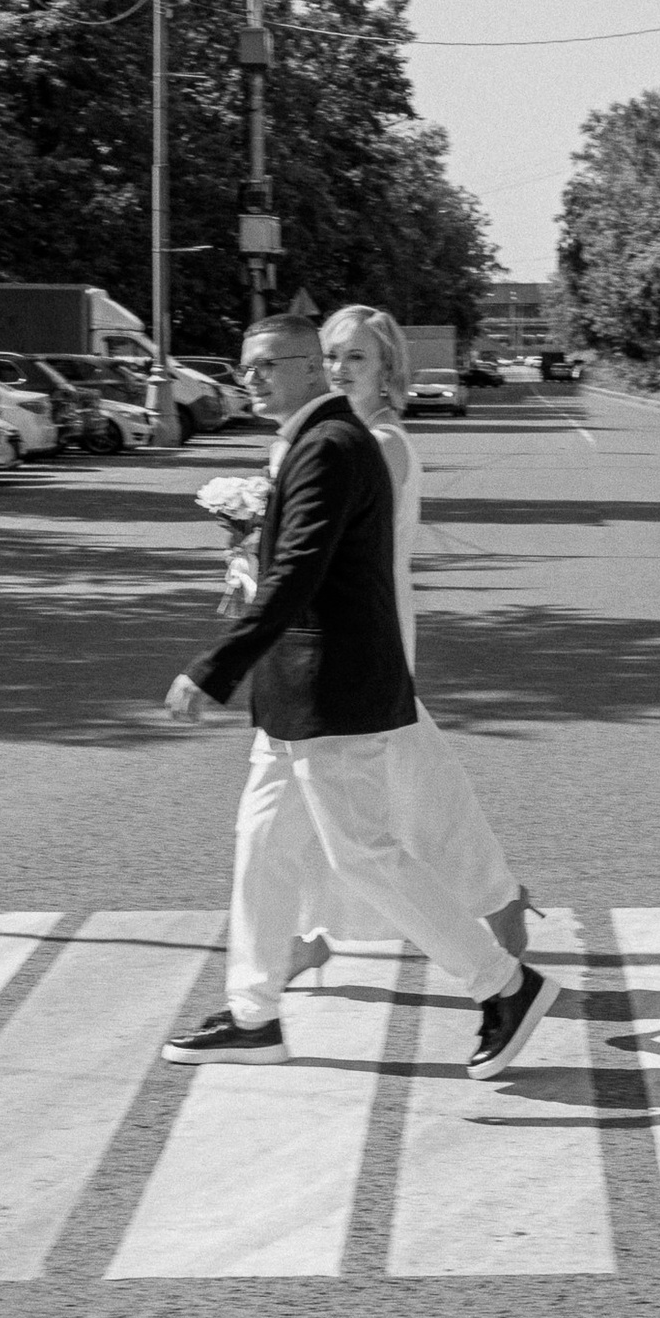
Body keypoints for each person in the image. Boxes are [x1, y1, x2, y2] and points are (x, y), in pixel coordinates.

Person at [158, 313, 556, 1079]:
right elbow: (294, 566)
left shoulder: (336, 447)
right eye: (248, 366)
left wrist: (214, 665)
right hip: (298, 695)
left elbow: (300, 571)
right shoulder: (318, 441)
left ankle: (505, 983)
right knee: (261, 847)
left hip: (329, 689)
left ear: (307, 368)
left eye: (270, 364)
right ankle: (253, 1013)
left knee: (364, 855)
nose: (253, 379)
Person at [282, 304, 532, 969]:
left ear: (387, 367)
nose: (337, 369)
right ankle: (306, 929)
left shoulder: (383, 444)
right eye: (331, 357)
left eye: (355, 358)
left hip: (367, 624)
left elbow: (341, 543)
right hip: (330, 625)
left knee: (380, 773)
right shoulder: (338, 433)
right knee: (367, 773)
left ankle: (493, 896)